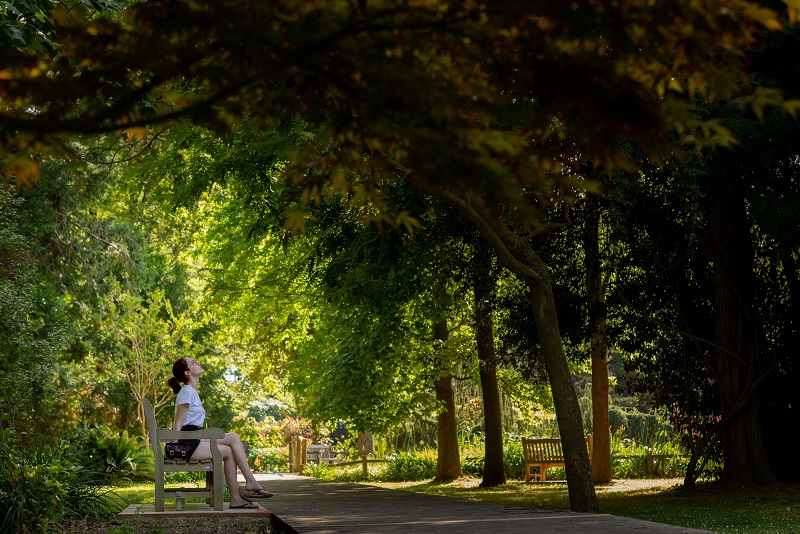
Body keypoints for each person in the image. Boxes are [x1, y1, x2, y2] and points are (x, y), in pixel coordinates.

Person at [168, 356, 274, 509]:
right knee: (229, 450)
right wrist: (174, 447)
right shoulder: (187, 392)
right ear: (187, 372)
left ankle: (242, 491)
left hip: (194, 436)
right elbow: (178, 423)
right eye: (193, 363)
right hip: (187, 442)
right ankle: (245, 488)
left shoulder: (191, 391)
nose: (197, 362)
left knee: (233, 439)